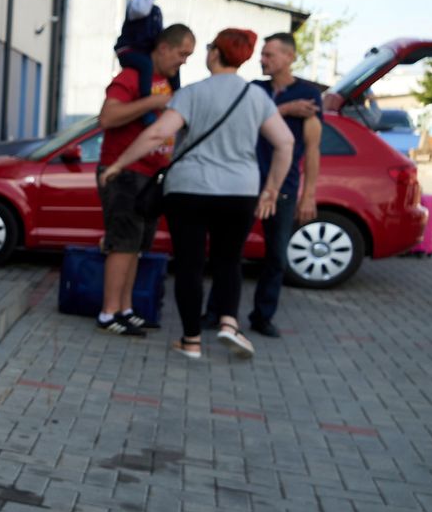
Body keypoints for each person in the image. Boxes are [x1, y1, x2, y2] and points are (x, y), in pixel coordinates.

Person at [99, 29, 293, 361]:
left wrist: (119, 163)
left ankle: (191, 341)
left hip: (189, 189)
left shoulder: (191, 93)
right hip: (240, 191)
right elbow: (285, 142)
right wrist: (271, 190)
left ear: (214, 53)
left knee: (190, 265)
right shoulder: (256, 97)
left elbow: (158, 133)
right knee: (229, 260)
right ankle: (229, 322)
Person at [204, 32, 321, 337]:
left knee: (276, 257)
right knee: (228, 251)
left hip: (283, 188)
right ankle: (216, 312)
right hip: (243, 183)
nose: (262, 60)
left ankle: (262, 316)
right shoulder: (254, 89)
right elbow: (241, 121)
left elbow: (312, 148)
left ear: (289, 57)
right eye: (262, 54)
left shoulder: (309, 94)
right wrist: (284, 110)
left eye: (269, 55)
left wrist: (308, 194)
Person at [95, 23, 196, 337]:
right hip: (125, 173)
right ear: (163, 48)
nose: (184, 61)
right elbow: (107, 117)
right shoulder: (131, 77)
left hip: (151, 175)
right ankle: (109, 313)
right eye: (182, 54)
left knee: (136, 247)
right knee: (122, 245)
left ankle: (125, 309)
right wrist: (152, 103)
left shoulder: (166, 82)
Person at [115, 0, 174, 124]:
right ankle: (145, 105)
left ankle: (177, 94)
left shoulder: (156, 10)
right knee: (146, 66)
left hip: (146, 51)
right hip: (129, 50)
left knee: (171, 65)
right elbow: (143, 10)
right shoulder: (136, 4)